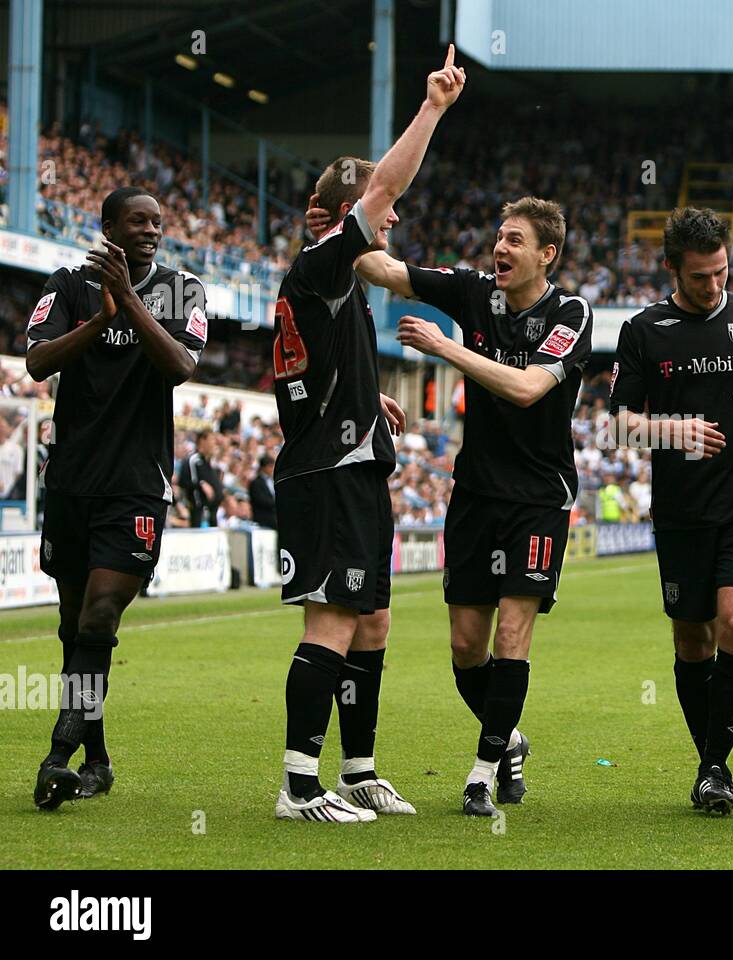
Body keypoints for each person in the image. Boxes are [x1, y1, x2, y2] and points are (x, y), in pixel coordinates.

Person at [336, 195, 592, 817]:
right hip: (475, 494)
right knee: (465, 647)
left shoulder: (570, 313)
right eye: (498, 237)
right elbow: (383, 270)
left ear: (546, 254)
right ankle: (511, 741)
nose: (499, 248)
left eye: (515, 240)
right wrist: (343, 224)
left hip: (538, 497)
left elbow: (530, 387)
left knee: (512, 633)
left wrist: (445, 347)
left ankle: (482, 771)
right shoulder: (474, 291)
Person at [270, 46, 465, 824]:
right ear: (347, 213)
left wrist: (369, 394)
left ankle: (356, 770)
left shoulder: (338, 283)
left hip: (352, 458)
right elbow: (382, 184)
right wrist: (433, 108)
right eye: (384, 213)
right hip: (327, 470)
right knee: (334, 619)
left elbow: (312, 365)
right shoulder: (322, 263)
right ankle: (297, 785)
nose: (393, 219)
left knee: (372, 619)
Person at [609, 207, 733, 814]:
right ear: (671, 268)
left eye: (721, 273)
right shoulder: (644, 331)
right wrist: (675, 431)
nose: (714, 287)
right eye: (699, 278)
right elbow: (621, 428)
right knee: (694, 640)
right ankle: (713, 764)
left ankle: (714, 766)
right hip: (681, 512)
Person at [26, 186, 208, 810]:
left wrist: (127, 302)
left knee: (101, 615)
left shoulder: (183, 290)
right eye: (138, 221)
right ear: (108, 227)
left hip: (137, 483)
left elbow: (181, 366)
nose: (152, 230)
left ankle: (57, 754)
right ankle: (97, 760)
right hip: (73, 480)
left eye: (158, 221)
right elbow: (37, 362)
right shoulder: (68, 284)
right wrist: (100, 320)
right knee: (74, 627)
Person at [178, 430, 222, 527]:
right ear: (202, 441)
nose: (215, 443)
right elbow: (183, 481)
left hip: (212, 512)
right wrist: (201, 484)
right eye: (212, 439)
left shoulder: (209, 462)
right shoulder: (193, 460)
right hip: (198, 511)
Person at [250, 454, 276, 529]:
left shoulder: (272, 480)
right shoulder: (256, 483)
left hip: (274, 517)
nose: (272, 469)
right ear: (264, 467)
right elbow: (261, 500)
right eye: (270, 466)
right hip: (263, 520)